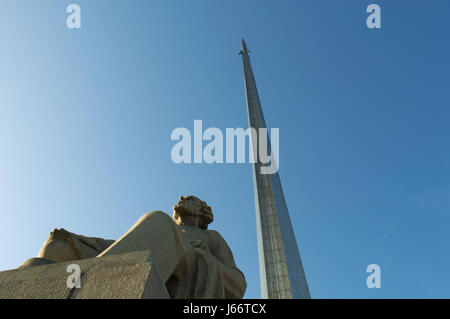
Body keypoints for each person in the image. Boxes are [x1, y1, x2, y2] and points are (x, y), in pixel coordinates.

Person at [35, 195, 247, 299]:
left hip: (177, 276)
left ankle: (93, 284)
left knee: (159, 221)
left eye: (190, 199)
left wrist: (197, 255)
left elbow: (238, 285)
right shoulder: (159, 228)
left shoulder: (210, 236)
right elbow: (123, 247)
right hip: (133, 257)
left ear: (203, 212)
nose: (182, 198)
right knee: (60, 242)